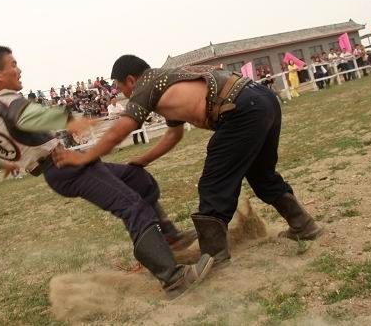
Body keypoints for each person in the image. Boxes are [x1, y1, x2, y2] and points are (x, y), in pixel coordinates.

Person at [0, 46, 211, 298]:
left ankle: (170, 238)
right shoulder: (8, 102)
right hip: (65, 167)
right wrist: (68, 120)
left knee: (137, 177)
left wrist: (2, 164)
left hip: (64, 166)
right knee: (132, 207)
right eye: (13, 64)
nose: (19, 69)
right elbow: (27, 115)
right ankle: (173, 279)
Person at [55, 55, 323, 270]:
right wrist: (143, 159)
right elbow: (174, 133)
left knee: (213, 183)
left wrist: (88, 156)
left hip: (241, 109)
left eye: (121, 88)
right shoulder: (166, 83)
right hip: (261, 100)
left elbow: (122, 128)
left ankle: (214, 255)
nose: (123, 94)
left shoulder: (147, 83)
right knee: (261, 175)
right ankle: (303, 225)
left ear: (130, 79)